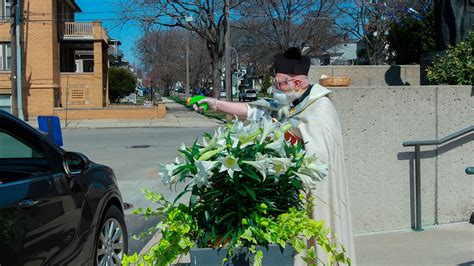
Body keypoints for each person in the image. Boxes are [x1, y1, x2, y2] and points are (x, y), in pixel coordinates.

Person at [193, 47, 355, 265]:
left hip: (314, 192)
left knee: (317, 245)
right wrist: (215, 103)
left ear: (297, 83)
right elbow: (256, 112)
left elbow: (318, 154)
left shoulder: (320, 109)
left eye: (279, 84)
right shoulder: (292, 101)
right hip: (292, 191)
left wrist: (278, 134)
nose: (275, 88)